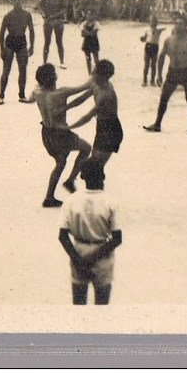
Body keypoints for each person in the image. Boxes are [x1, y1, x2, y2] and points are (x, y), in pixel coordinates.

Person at [27, 63, 93, 207]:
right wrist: (95, 77)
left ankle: (49, 197)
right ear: (54, 77)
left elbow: (30, 99)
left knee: (61, 163)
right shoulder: (61, 92)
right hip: (61, 134)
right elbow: (84, 87)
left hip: (46, 134)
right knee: (86, 148)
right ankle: (70, 181)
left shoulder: (37, 93)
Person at [58, 162, 123, 305]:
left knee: (79, 304)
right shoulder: (111, 202)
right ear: (103, 176)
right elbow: (117, 238)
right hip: (102, 256)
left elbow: (62, 235)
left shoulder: (71, 201)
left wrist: (79, 260)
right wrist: (92, 259)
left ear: (82, 177)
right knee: (102, 305)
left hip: (78, 252)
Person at [144, 17, 187, 134]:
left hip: (186, 72)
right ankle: (157, 123)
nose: (178, 25)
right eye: (177, 23)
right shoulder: (169, 40)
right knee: (164, 97)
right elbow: (161, 57)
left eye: (181, 23)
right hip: (173, 72)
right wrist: (159, 75)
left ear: (185, 26)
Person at [69, 59, 123, 174]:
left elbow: (87, 117)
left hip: (111, 130)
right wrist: (65, 108)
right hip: (102, 126)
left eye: (95, 73)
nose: (92, 74)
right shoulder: (95, 83)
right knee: (93, 167)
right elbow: (81, 98)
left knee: (95, 169)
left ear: (105, 76)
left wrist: (69, 128)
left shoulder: (106, 94)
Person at [0, 0, 35, 104]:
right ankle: (1, 95)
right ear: (12, 1)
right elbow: (1, 33)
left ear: (22, 1)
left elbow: (31, 31)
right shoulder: (8, 16)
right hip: (10, 42)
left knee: (23, 70)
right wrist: (1, 49)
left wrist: (32, 46)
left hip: (21, 41)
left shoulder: (27, 15)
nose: (17, 1)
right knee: (6, 70)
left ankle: (22, 95)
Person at [38, 0, 69, 69]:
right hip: (48, 20)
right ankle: (44, 62)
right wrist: (43, 14)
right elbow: (39, 5)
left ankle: (62, 62)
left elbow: (64, 9)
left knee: (59, 42)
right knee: (47, 42)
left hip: (58, 20)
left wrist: (55, 16)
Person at [140, 16, 166, 86]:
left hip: (155, 47)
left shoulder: (158, 30)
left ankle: (152, 81)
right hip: (148, 46)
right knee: (146, 64)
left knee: (153, 65)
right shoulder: (147, 30)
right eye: (152, 22)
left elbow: (165, 27)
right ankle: (144, 80)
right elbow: (145, 39)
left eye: (155, 22)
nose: (153, 23)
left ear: (157, 23)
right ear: (149, 22)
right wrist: (142, 39)